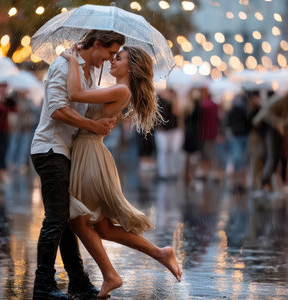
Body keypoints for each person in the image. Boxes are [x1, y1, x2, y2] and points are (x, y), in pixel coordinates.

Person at [63, 45, 182, 298]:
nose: (112, 61)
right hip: (91, 152)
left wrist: (73, 60)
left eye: (119, 58)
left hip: (90, 154)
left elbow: (74, 93)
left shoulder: (120, 89)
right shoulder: (118, 89)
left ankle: (110, 274)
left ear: (131, 66)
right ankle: (159, 253)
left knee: (76, 217)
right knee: (102, 227)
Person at [30, 30, 123, 299]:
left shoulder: (90, 71)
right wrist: (92, 125)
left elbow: (83, 101)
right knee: (56, 218)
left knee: (69, 217)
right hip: (50, 149)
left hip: (66, 151)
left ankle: (78, 280)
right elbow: (57, 109)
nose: (110, 59)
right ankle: (43, 284)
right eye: (109, 52)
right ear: (95, 44)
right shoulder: (62, 64)